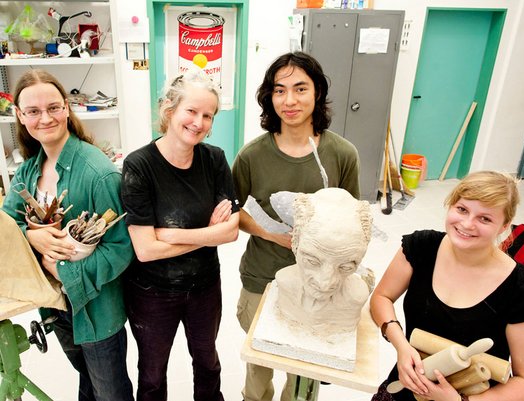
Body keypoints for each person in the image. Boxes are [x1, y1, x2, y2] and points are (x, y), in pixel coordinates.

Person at [232, 51, 361, 401]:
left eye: (300, 89)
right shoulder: (252, 155)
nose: (289, 100)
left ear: (318, 92)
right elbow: (232, 212)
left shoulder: (342, 154)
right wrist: (270, 233)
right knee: (259, 367)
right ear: (269, 97)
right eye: (279, 90)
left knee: (304, 375)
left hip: (322, 285)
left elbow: (352, 217)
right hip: (263, 277)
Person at [2, 69, 134, 401]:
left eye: (53, 108)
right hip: (56, 305)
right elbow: (7, 224)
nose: (45, 118)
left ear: (66, 108)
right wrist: (31, 236)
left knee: (111, 393)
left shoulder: (98, 173)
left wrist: (63, 271)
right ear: (20, 115)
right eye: (33, 111)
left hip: (95, 309)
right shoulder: (30, 169)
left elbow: (120, 249)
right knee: (87, 381)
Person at [120, 69, 239, 401]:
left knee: (208, 363)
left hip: (204, 287)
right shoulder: (139, 166)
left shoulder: (214, 159)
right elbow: (145, 250)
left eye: (208, 115)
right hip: (152, 292)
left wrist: (171, 236)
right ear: (169, 110)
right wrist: (209, 234)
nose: (199, 122)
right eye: (191, 111)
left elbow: (231, 232)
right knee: (152, 374)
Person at [370, 171, 524, 401]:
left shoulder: (521, 288)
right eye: (462, 209)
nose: (467, 224)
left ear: (504, 226)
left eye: (485, 219)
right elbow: (381, 297)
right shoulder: (421, 247)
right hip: (406, 384)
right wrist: (401, 346)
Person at [276, 187, 373, 334]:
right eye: (312, 262)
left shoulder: (355, 298)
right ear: (295, 244)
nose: (325, 284)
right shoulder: (284, 282)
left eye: (345, 267)